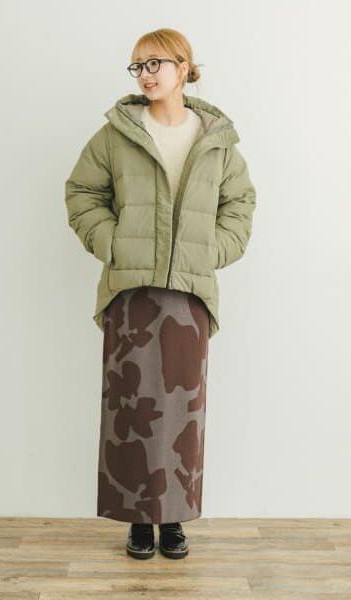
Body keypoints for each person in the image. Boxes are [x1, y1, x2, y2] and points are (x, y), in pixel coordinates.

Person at [65, 28, 256, 559]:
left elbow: (239, 205)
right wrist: (113, 243)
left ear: (183, 67)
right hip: (130, 287)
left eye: (155, 63)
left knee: (182, 412)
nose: (145, 74)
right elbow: (82, 193)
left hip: (190, 291)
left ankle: (173, 518)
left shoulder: (216, 138)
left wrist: (210, 251)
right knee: (129, 408)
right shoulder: (116, 134)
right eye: (137, 66)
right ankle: (136, 519)